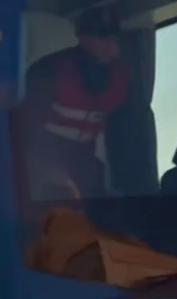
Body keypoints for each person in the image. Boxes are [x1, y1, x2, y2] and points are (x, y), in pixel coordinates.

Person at [16, 6, 131, 201]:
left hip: (85, 159)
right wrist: (53, 172)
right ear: (83, 39)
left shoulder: (121, 77)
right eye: (102, 37)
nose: (110, 45)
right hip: (42, 160)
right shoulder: (48, 70)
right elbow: (26, 128)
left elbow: (121, 127)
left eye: (113, 38)